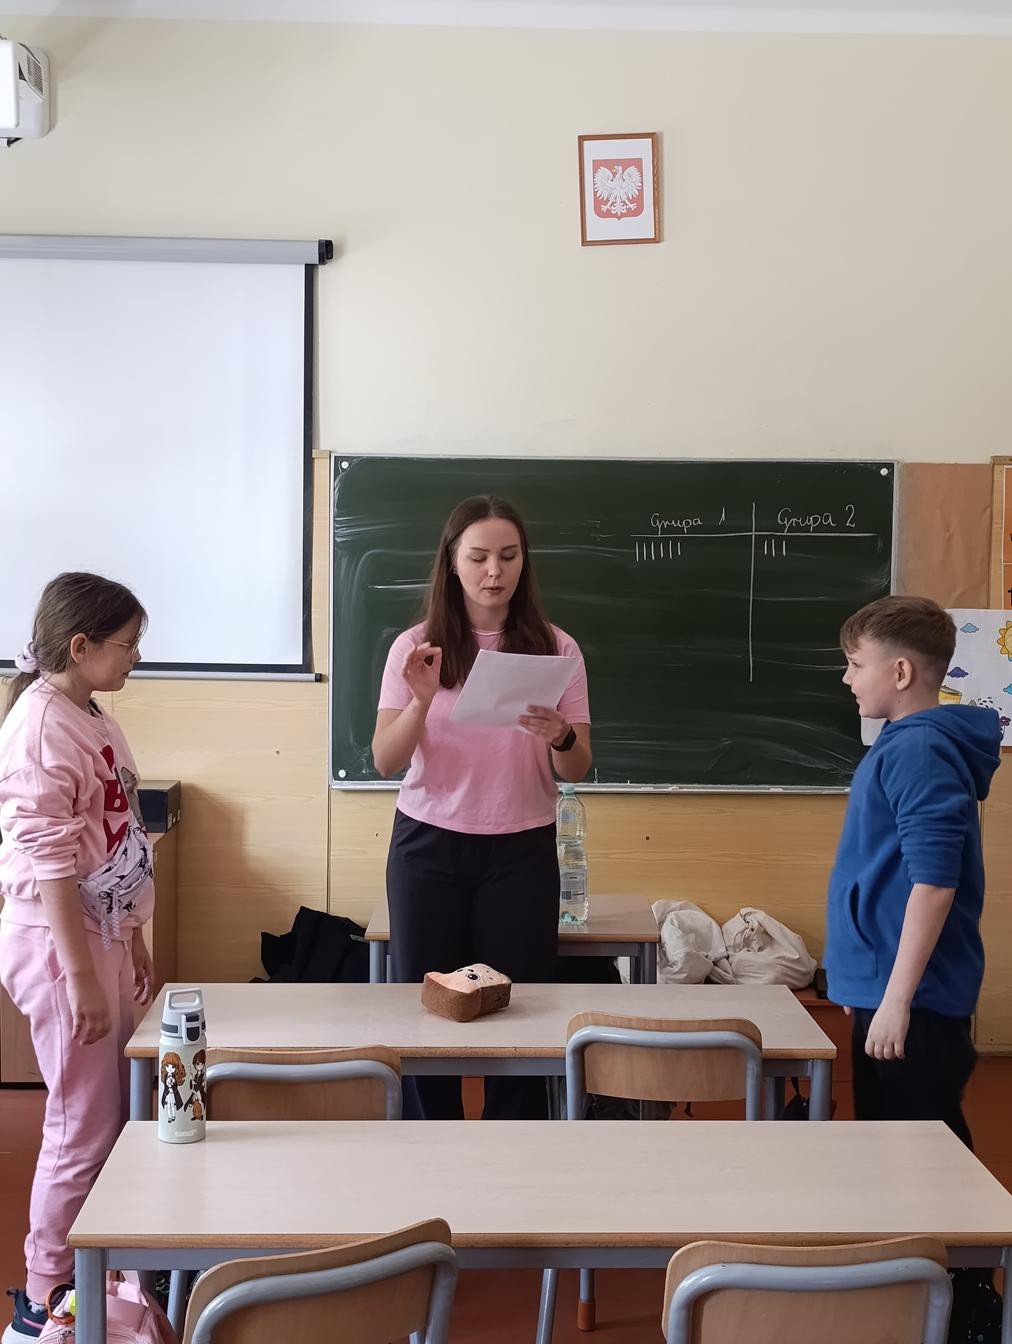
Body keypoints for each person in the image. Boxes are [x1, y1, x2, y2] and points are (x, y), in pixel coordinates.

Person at [373, 495, 591, 1120]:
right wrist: (420, 700)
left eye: (509, 556)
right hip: (428, 845)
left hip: (521, 849)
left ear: (524, 562)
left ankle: (512, 1155)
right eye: (479, 557)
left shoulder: (557, 648)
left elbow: (576, 767)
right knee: (426, 1012)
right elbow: (386, 759)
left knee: (519, 1012)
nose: (494, 571)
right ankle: (428, 1150)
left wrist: (561, 736)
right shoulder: (417, 647)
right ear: (452, 560)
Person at [824, 595, 1003, 1340]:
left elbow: (933, 881)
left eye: (855, 665)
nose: (847, 679)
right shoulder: (904, 744)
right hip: (891, 989)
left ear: (900, 672)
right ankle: (919, 1290)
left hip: (915, 999)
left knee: (923, 1151)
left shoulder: (919, 749)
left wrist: (895, 998)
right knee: (893, 1148)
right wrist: (864, 983)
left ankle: (968, 1300)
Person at [0, 573, 154, 1344]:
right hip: (61, 943)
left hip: (103, 932)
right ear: (81, 645)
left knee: (114, 1109)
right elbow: (52, 865)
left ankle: (99, 1265)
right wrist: (83, 974)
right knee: (81, 1122)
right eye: (127, 645)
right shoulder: (39, 728)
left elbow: (119, 835)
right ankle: (44, 1290)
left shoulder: (91, 715)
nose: (136, 659)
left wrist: (134, 934)